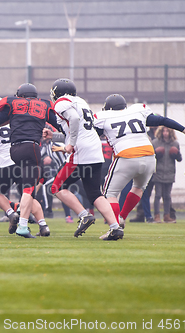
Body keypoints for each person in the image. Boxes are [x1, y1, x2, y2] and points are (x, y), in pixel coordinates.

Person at [93, 94, 185, 233]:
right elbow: (162, 120)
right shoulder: (137, 111)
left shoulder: (103, 117)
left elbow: (91, 135)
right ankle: (122, 217)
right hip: (149, 156)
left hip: (126, 156)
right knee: (139, 188)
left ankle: (115, 226)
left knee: (109, 193)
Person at [49, 79, 123, 241]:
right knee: (95, 193)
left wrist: (71, 145)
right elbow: (77, 128)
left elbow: (74, 120)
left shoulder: (62, 102)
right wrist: (55, 136)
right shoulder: (80, 101)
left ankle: (84, 215)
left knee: (56, 187)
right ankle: (115, 227)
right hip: (95, 150)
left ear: (58, 93)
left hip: (81, 151)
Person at [0, 83, 58, 238]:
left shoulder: (13, 104)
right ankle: (22, 225)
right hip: (31, 148)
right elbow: (59, 125)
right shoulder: (43, 106)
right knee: (29, 189)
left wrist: (16, 118)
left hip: (14, 150)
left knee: (27, 188)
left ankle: (41, 225)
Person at [151, 126, 182, 223]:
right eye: (164, 131)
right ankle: (156, 216)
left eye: (167, 131)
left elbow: (179, 159)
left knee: (167, 196)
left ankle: (167, 216)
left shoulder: (175, 144)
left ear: (170, 132)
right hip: (158, 172)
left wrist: (176, 154)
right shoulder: (155, 143)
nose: (165, 133)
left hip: (169, 172)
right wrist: (156, 155)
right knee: (158, 195)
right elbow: (150, 157)